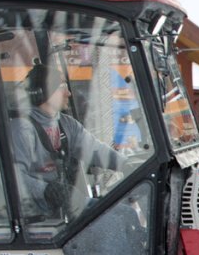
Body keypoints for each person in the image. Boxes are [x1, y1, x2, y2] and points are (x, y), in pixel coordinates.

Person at [10, 75, 127, 220]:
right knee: (114, 221)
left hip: (64, 206)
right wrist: (47, 190)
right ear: (42, 93)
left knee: (127, 215)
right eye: (62, 88)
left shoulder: (66, 124)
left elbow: (95, 149)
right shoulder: (22, 129)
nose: (69, 93)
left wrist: (125, 164)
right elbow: (15, 178)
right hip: (37, 215)